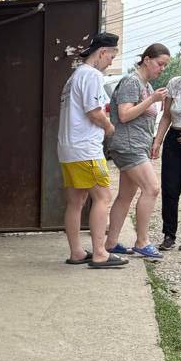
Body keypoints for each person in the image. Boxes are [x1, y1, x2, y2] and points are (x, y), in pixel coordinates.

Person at [57, 31, 127, 268]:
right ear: (103, 52)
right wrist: (109, 127)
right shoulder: (92, 75)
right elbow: (94, 112)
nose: (111, 62)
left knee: (76, 201)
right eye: (111, 57)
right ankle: (100, 253)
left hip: (68, 148)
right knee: (103, 197)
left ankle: (77, 252)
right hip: (86, 149)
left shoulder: (74, 77)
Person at [104, 44, 170, 260]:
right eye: (160, 64)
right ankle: (142, 241)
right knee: (152, 188)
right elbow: (124, 115)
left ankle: (111, 242)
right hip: (128, 146)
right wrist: (151, 100)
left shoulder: (147, 86)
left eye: (165, 65)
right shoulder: (132, 82)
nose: (162, 69)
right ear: (147, 60)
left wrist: (153, 142)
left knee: (126, 195)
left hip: (137, 145)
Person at [153, 53, 181, 250]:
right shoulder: (175, 83)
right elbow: (166, 115)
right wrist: (157, 141)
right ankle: (169, 235)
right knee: (170, 187)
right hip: (174, 138)